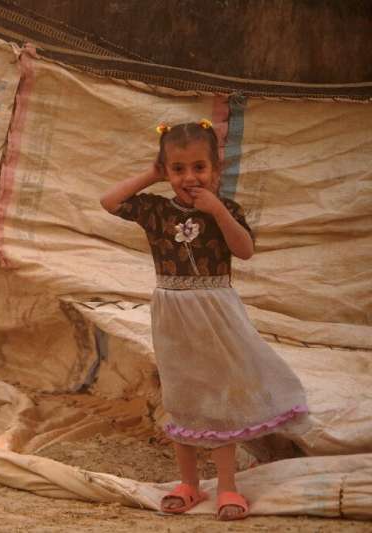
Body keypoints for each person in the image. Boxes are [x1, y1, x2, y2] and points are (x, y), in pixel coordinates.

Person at [100, 119, 308, 521]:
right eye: (178, 169)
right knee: (182, 397)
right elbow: (109, 201)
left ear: (216, 170)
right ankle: (189, 484)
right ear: (166, 172)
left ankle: (227, 487)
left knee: (218, 397)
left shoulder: (225, 209)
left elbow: (244, 251)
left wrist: (216, 210)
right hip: (173, 315)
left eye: (199, 167)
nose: (189, 177)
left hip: (215, 312)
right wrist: (151, 173)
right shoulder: (157, 210)